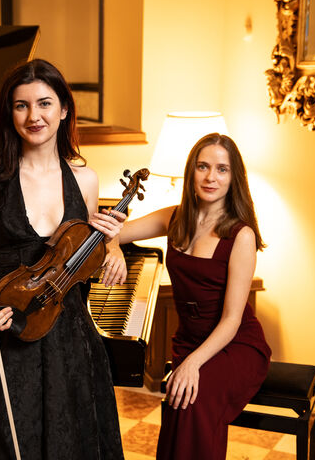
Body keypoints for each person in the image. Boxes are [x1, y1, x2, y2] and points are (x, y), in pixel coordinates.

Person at [0, 59, 125, 460]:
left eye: (45, 103)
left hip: (68, 332)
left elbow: (85, 248)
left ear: (64, 109)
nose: (34, 116)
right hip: (3, 321)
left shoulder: (85, 179)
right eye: (21, 105)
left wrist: (113, 247)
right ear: (9, 113)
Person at [103, 133, 272, 460]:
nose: (211, 177)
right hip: (189, 340)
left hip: (235, 344)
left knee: (192, 395)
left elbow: (232, 320)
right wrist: (115, 251)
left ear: (233, 177)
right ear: (191, 171)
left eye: (222, 169)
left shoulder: (241, 235)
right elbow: (112, 232)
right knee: (181, 397)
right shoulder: (175, 217)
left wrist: (193, 363)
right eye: (203, 166)